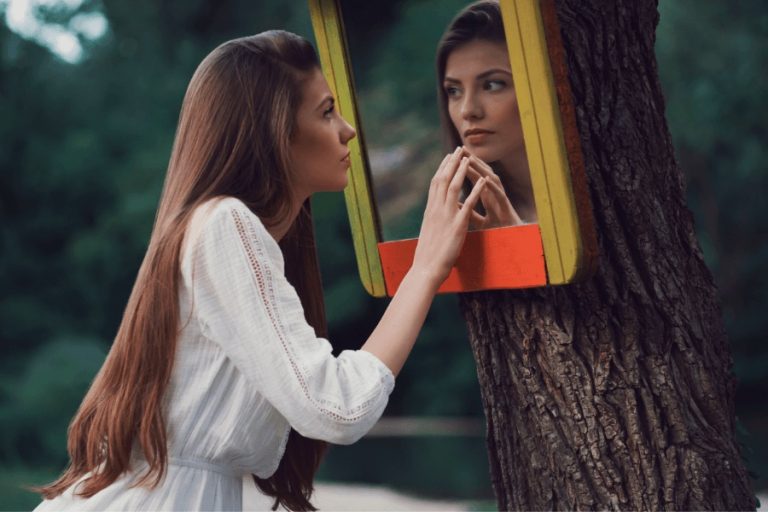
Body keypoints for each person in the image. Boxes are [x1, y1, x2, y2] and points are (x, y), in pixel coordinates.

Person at [32, 31, 486, 511]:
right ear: (275, 132)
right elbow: (337, 405)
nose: (347, 129)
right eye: (326, 111)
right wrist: (426, 268)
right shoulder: (226, 224)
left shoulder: (223, 230)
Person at [436, 0, 537, 228]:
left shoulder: (607, 199)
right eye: (454, 91)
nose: (468, 110)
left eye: (492, 85)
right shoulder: (461, 222)